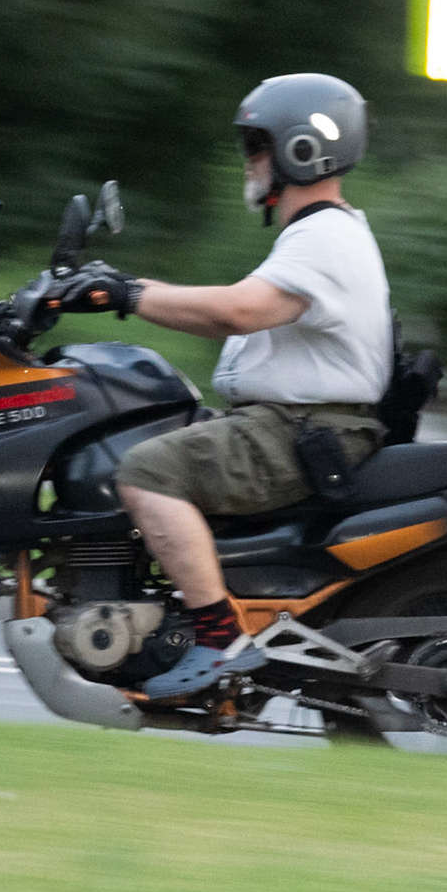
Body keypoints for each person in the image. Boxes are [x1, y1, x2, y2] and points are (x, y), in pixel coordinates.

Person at [64, 73, 391, 699]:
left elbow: (238, 311)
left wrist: (126, 295)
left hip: (303, 429)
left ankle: (219, 639)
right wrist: (124, 285)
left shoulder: (324, 236)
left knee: (146, 472)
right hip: (293, 422)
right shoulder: (320, 233)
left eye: (257, 146)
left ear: (302, 150)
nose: (249, 161)